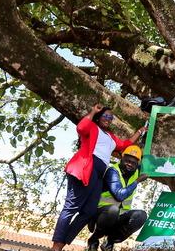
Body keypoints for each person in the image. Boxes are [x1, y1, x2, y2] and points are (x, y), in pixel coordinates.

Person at [52, 104, 146, 251]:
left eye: (111, 117)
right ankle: (57, 244)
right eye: (105, 116)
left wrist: (140, 131)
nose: (108, 119)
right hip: (85, 168)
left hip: (99, 174)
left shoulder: (110, 137)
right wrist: (93, 111)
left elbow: (125, 145)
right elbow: (81, 128)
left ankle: (64, 242)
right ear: (99, 117)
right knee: (71, 207)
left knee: (88, 211)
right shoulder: (92, 127)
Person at [87, 145, 149, 251]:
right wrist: (137, 181)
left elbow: (152, 163)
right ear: (122, 158)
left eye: (133, 163)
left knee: (141, 216)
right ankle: (94, 239)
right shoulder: (113, 171)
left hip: (119, 216)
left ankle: (110, 242)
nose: (129, 164)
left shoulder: (136, 171)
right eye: (127, 161)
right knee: (113, 210)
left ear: (137, 165)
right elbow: (119, 195)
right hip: (101, 214)